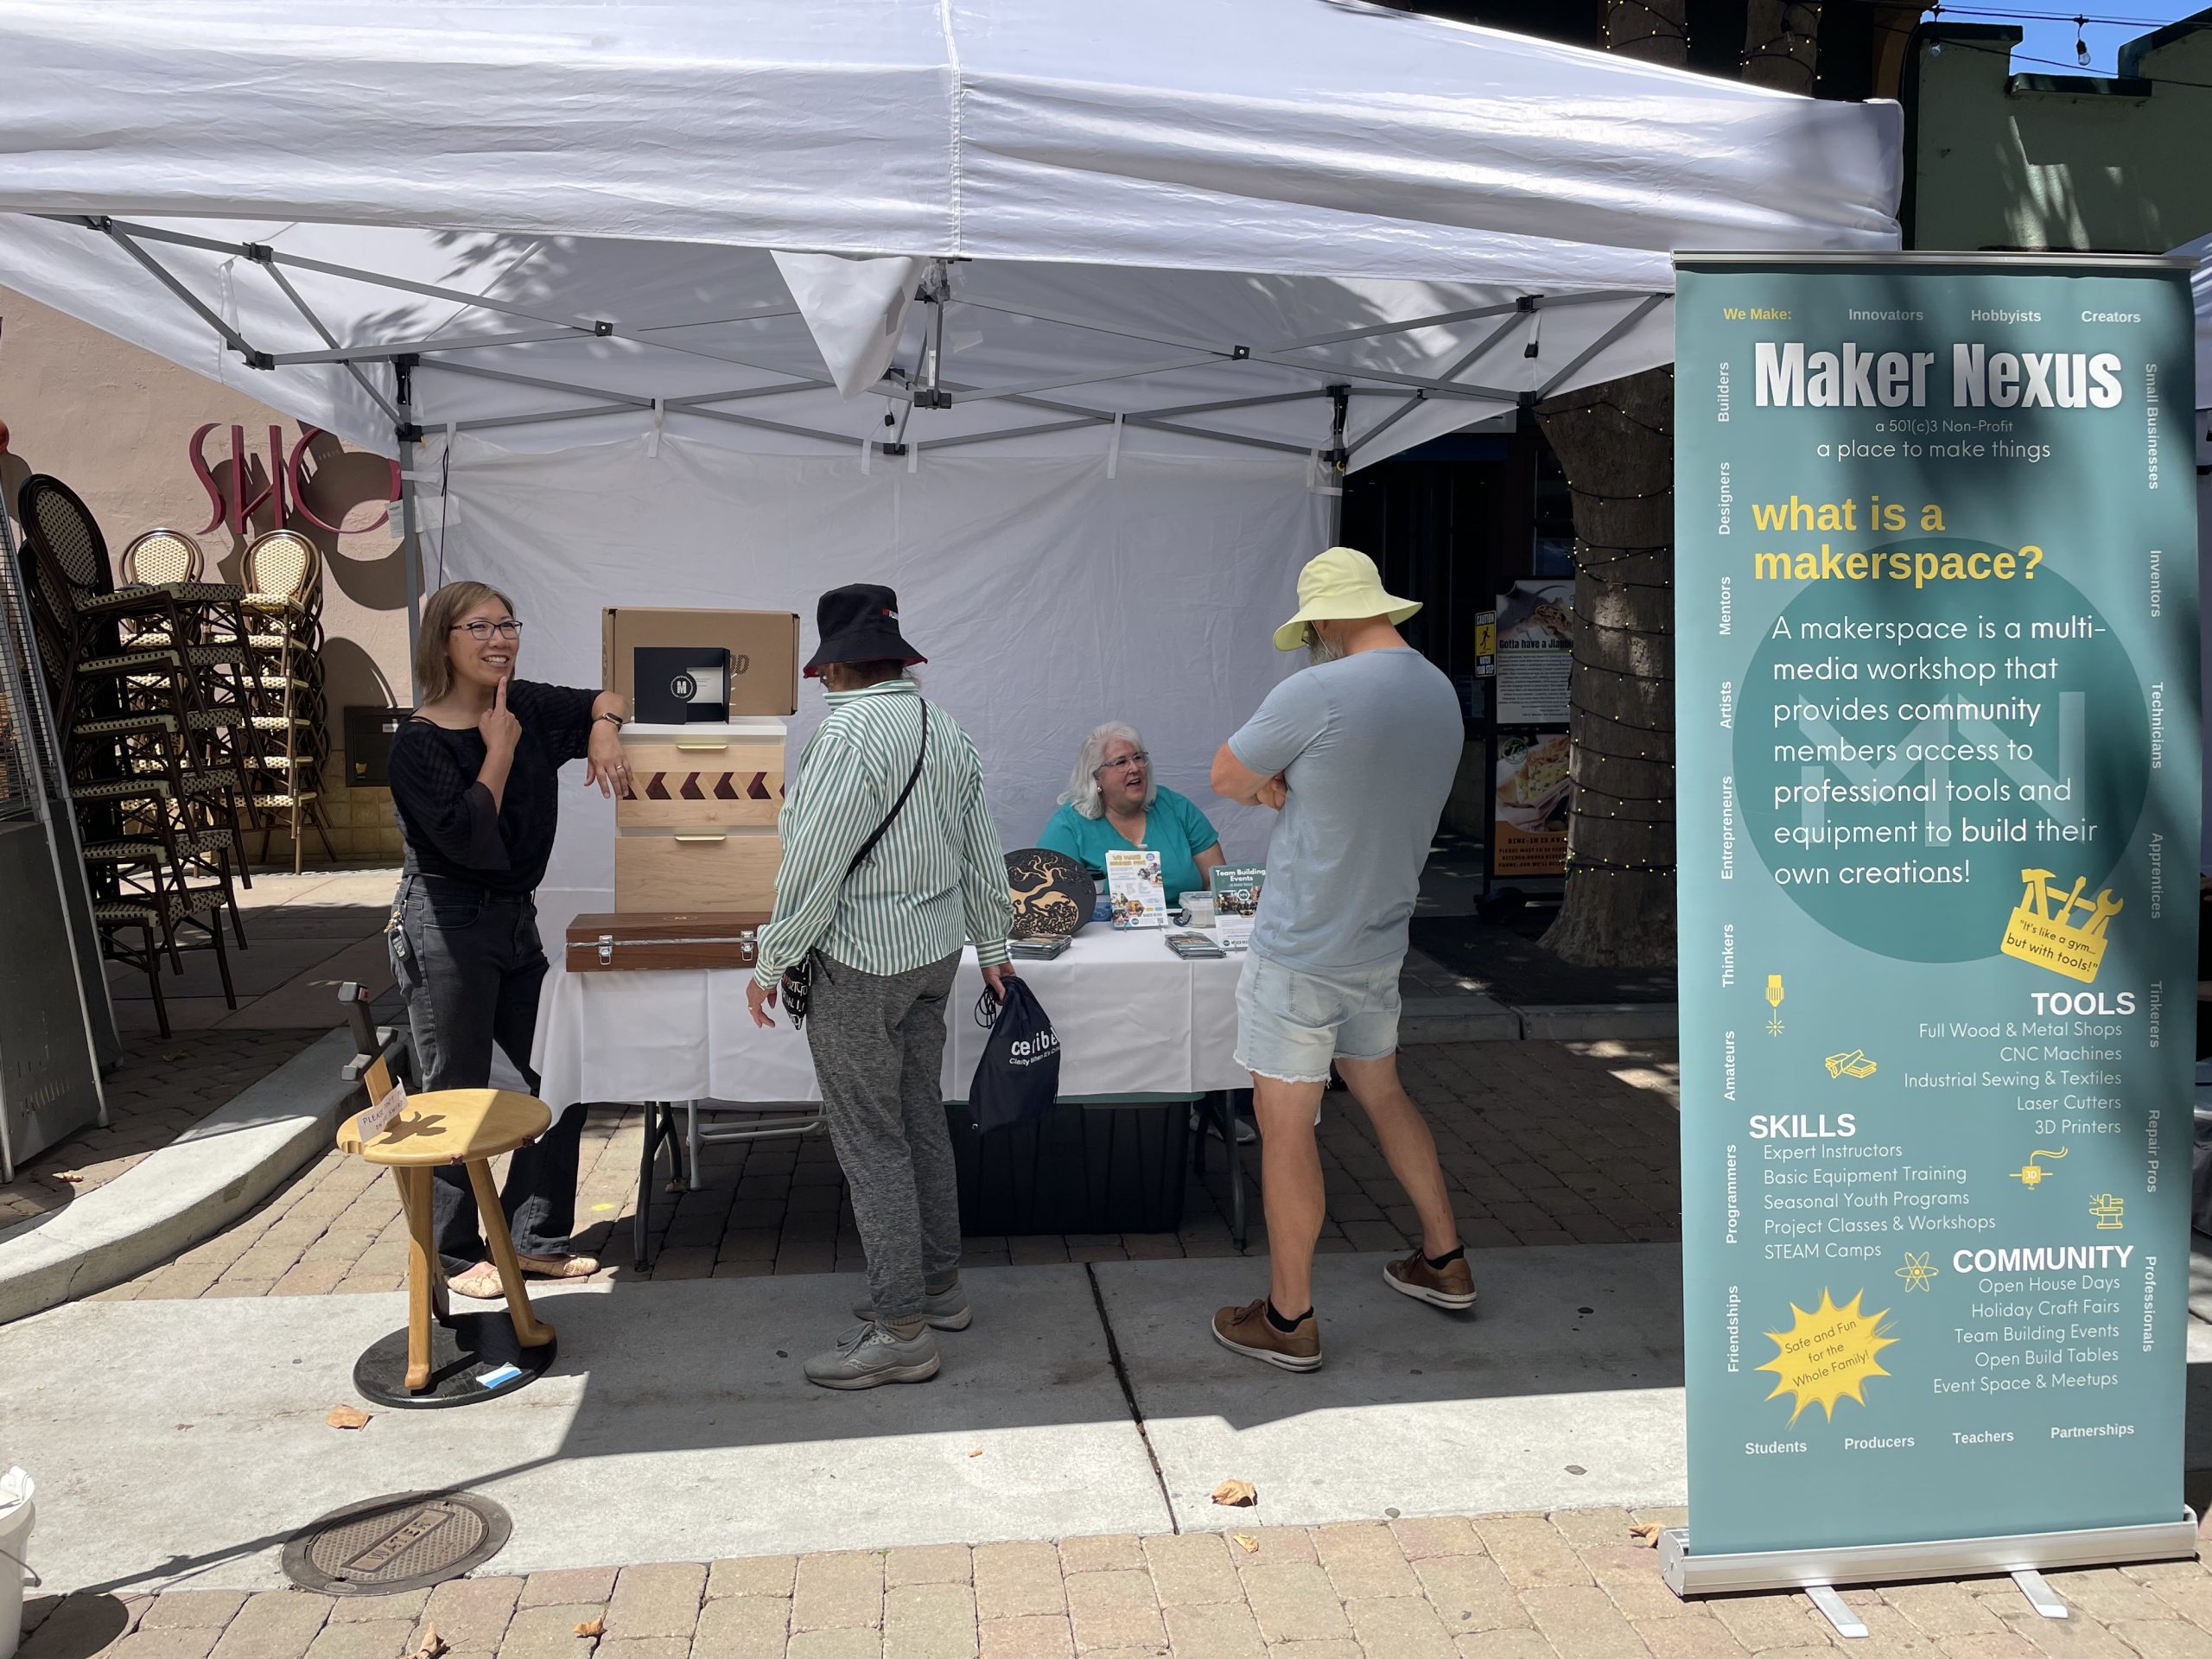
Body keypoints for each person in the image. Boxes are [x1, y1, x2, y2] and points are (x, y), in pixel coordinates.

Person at [1205, 545, 1476, 1371]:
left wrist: (1273, 786)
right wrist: (1293, 783)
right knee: (1385, 1093)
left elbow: (1225, 775)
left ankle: (1289, 1319)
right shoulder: (1439, 691)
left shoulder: (1317, 689)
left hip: (1302, 943)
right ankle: (1444, 1259)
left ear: (1323, 618)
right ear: (1382, 607)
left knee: (1286, 1128)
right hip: (1379, 936)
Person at [747, 584, 1016, 1390]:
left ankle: (902, 1329)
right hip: (934, 957)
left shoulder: (846, 735)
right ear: (898, 657)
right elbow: (980, 845)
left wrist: (772, 959)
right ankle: (939, 1290)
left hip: (861, 963)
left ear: (833, 667)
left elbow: (812, 863)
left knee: (872, 1143)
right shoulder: (945, 727)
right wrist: (994, 943)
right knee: (918, 1122)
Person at [385, 580, 632, 1299]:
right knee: (453, 1097)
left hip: (513, 920)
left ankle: (532, 1239)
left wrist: (605, 727)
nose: (499, 640)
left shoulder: (521, 703)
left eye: (507, 625)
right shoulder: (418, 744)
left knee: (560, 1073)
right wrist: (497, 751)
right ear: (443, 643)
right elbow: (464, 834)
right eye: (478, 628)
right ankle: (456, 1255)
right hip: (444, 923)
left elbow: (605, 695)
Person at [1038, 723, 1225, 911]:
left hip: (1183, 927)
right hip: (1104, 934)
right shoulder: (1068, 825)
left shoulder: (1177, 808)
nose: (1135, 768)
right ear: (1096, 777)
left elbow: (1217, 885)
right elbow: (1052, 904)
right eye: (1121, 762)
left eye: (1138, 758)